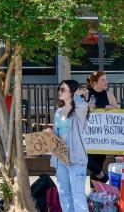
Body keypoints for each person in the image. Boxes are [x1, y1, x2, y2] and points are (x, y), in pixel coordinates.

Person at [45, 80, 89, 212]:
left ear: (72, 92)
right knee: (64, 194)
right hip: (61, 157)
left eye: (63, 89)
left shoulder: (79, 110)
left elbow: (82, 105)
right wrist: (50, 133)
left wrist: (77, 96)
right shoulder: (58, 112)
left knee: (78, 195)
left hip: (76, 157)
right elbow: (58, 135)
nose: (60, 91)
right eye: (59, 89)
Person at [85, 71, 120, 188]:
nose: (106, 82)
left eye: (106, 79)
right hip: (87, 136)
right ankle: (103, 178)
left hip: (102, 138)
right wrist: (86, 107)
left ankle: (95, 196)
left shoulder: (109, 95)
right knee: (86, 159)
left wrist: (112, 109)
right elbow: (76, 111)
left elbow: (118, 115)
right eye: (103, 80)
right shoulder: (86, 94)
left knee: (98, 165)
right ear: (94, 82)